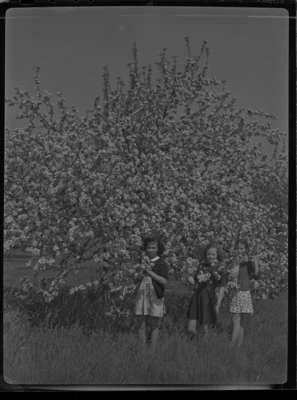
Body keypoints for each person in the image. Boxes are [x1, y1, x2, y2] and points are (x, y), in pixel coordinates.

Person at [134, 235, 168, 353]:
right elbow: (135, 279)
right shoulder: (142, 261)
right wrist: (139, 272)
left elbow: (164, 281)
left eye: (153, 248)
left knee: (154, 324)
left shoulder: (161, 263)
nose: (150, 250)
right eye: (149, 247)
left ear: (158, 249)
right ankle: (142, 352)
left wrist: (149, 272)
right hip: (142, 294)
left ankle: (152, 352)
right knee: (141, 324)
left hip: (155, 295)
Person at [187, 242, 226, 339]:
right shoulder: (202, 265)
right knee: (190, 328)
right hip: (197, 296)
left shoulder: (220, 267)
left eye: (213, 254)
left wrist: (218, 303)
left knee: (205, 328)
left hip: (208, 298)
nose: (210, 256)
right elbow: (195, 279)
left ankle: (204, 346)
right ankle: (197, 340)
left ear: (217, 255)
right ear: (205, 254)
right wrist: (190, 279)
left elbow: (222, 286)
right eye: (209, 254)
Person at [228, 239, 259, 347]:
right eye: (237, 248)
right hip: (240, 293)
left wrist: (256, 262)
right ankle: (238, 347)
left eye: (241, 248)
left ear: (245, 250)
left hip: (242, 293)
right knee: (240, 322)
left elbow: (255, 274)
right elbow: (232, 276)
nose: (239, 251)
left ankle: (231, 346)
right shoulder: (236, 261)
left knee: (237, 321)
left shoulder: (245, 262)